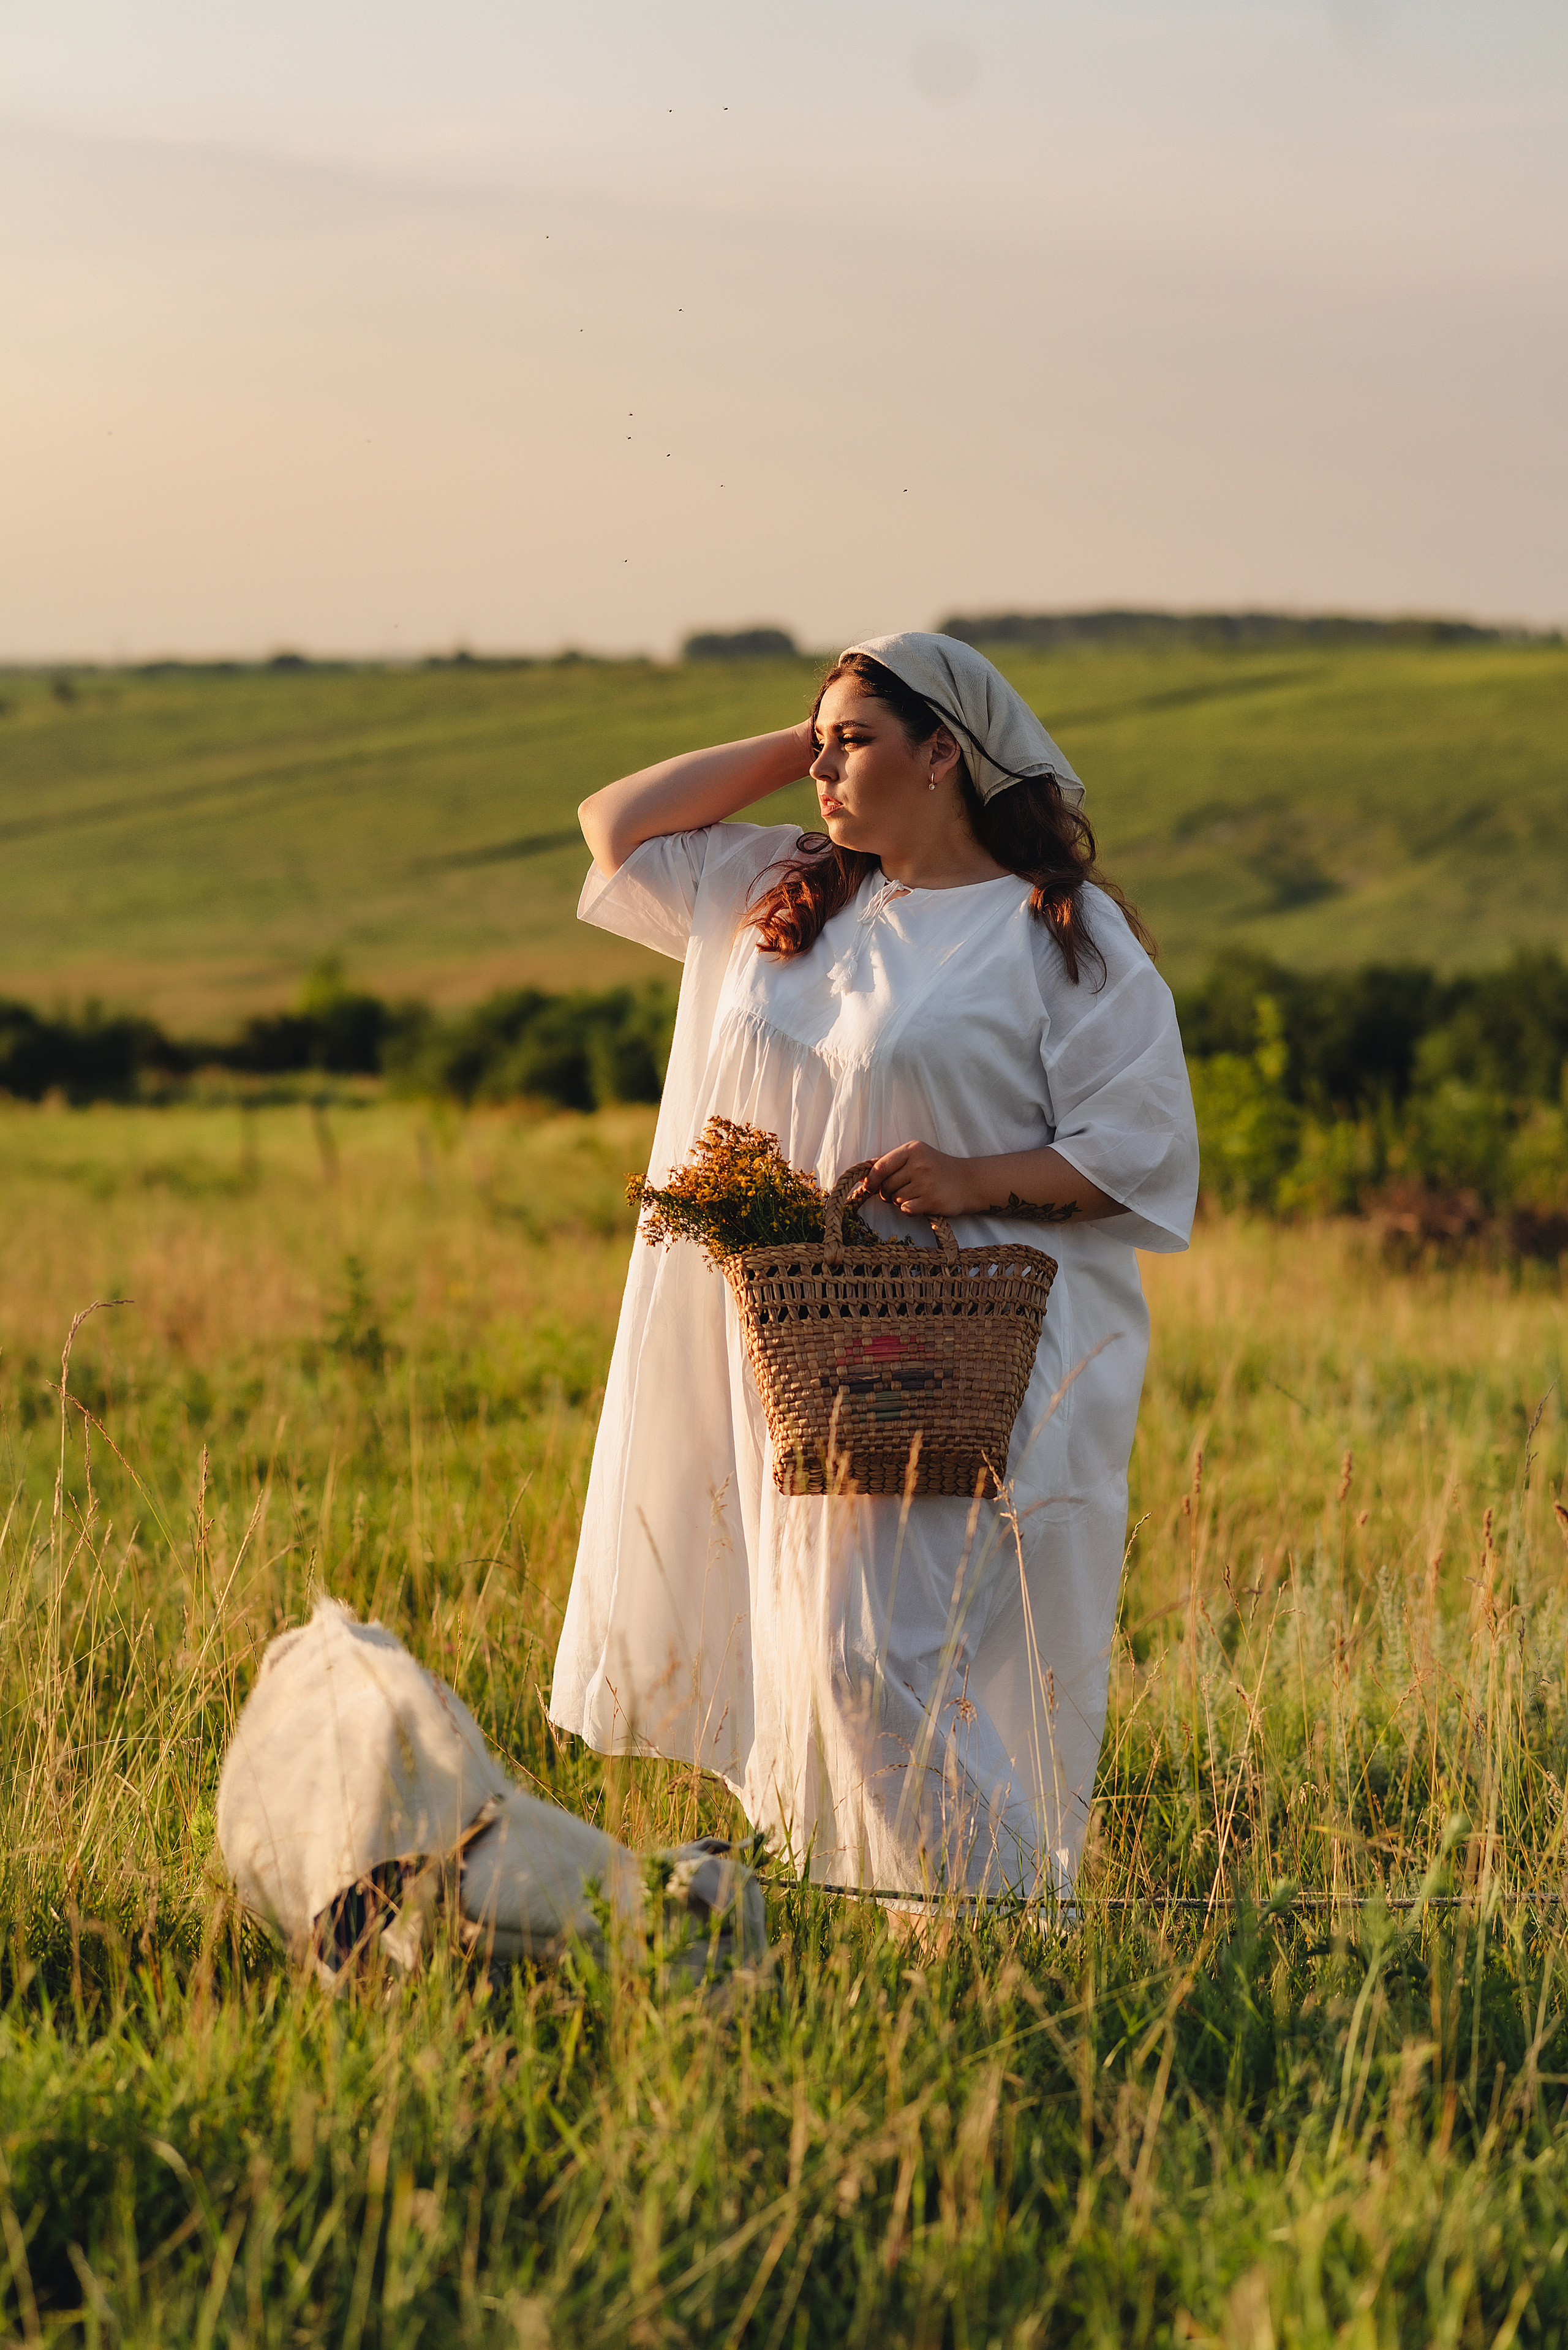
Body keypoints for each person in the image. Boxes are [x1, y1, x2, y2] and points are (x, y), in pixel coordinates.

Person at [549, 632, 1198, 1897]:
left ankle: (1012, 1933)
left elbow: (1139, 1148)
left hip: (969, 1343)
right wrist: (815, 738)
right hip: (797, 1343)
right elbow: (613, 825)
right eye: (817, 740)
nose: (822, 770)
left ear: (945, 754)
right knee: (822, 1649)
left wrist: (976, 1175)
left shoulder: (1054, 931)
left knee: (868, 1658)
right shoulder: (788, 883)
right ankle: (924, 1936)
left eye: (854, 742)